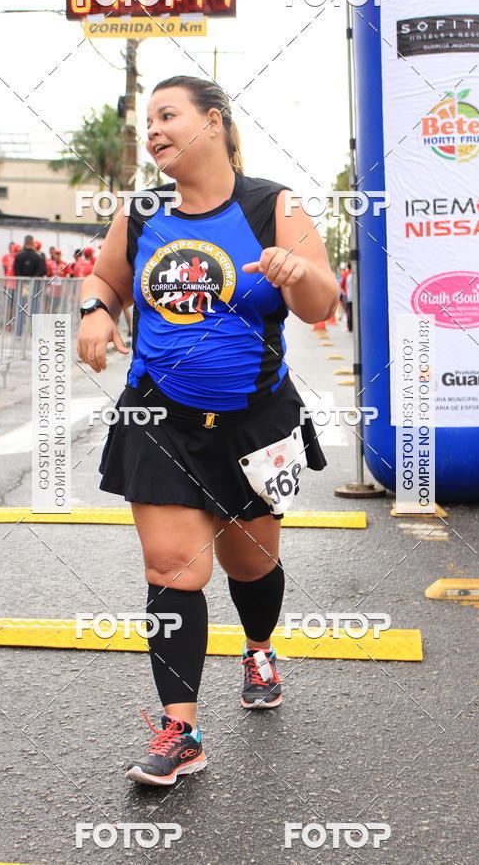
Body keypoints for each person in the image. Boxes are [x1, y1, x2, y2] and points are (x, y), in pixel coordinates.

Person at [77, 74, 339, 787]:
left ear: (214, 122)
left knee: (249, 564)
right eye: (147, 120)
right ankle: (181, 729)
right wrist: (95, 313)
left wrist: (296, 271)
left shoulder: (270, 204)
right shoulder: (143, 211)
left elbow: (323, 298)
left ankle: (258, 646)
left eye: (167, 115)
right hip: (161, 417)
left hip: (257, 423)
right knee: (171, 568)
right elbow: (103, 280)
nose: (153, 130)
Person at [13, 235, 47, 334]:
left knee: (20, 308)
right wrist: (33, 279)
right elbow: (43, 271)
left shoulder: (18, 256)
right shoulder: (39, 257)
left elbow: (15, 271)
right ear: (32, 243)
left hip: (23, 285)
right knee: (34, 309)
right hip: (35, 286)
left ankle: (18, 332)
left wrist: (24, 280)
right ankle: (32, 330)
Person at [345, 264, 353, 333]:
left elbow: (344, 285)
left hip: (349, 296)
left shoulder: (348, 276)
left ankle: (350, 327)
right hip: (354, 298)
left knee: (349, 312)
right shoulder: (353, 276)